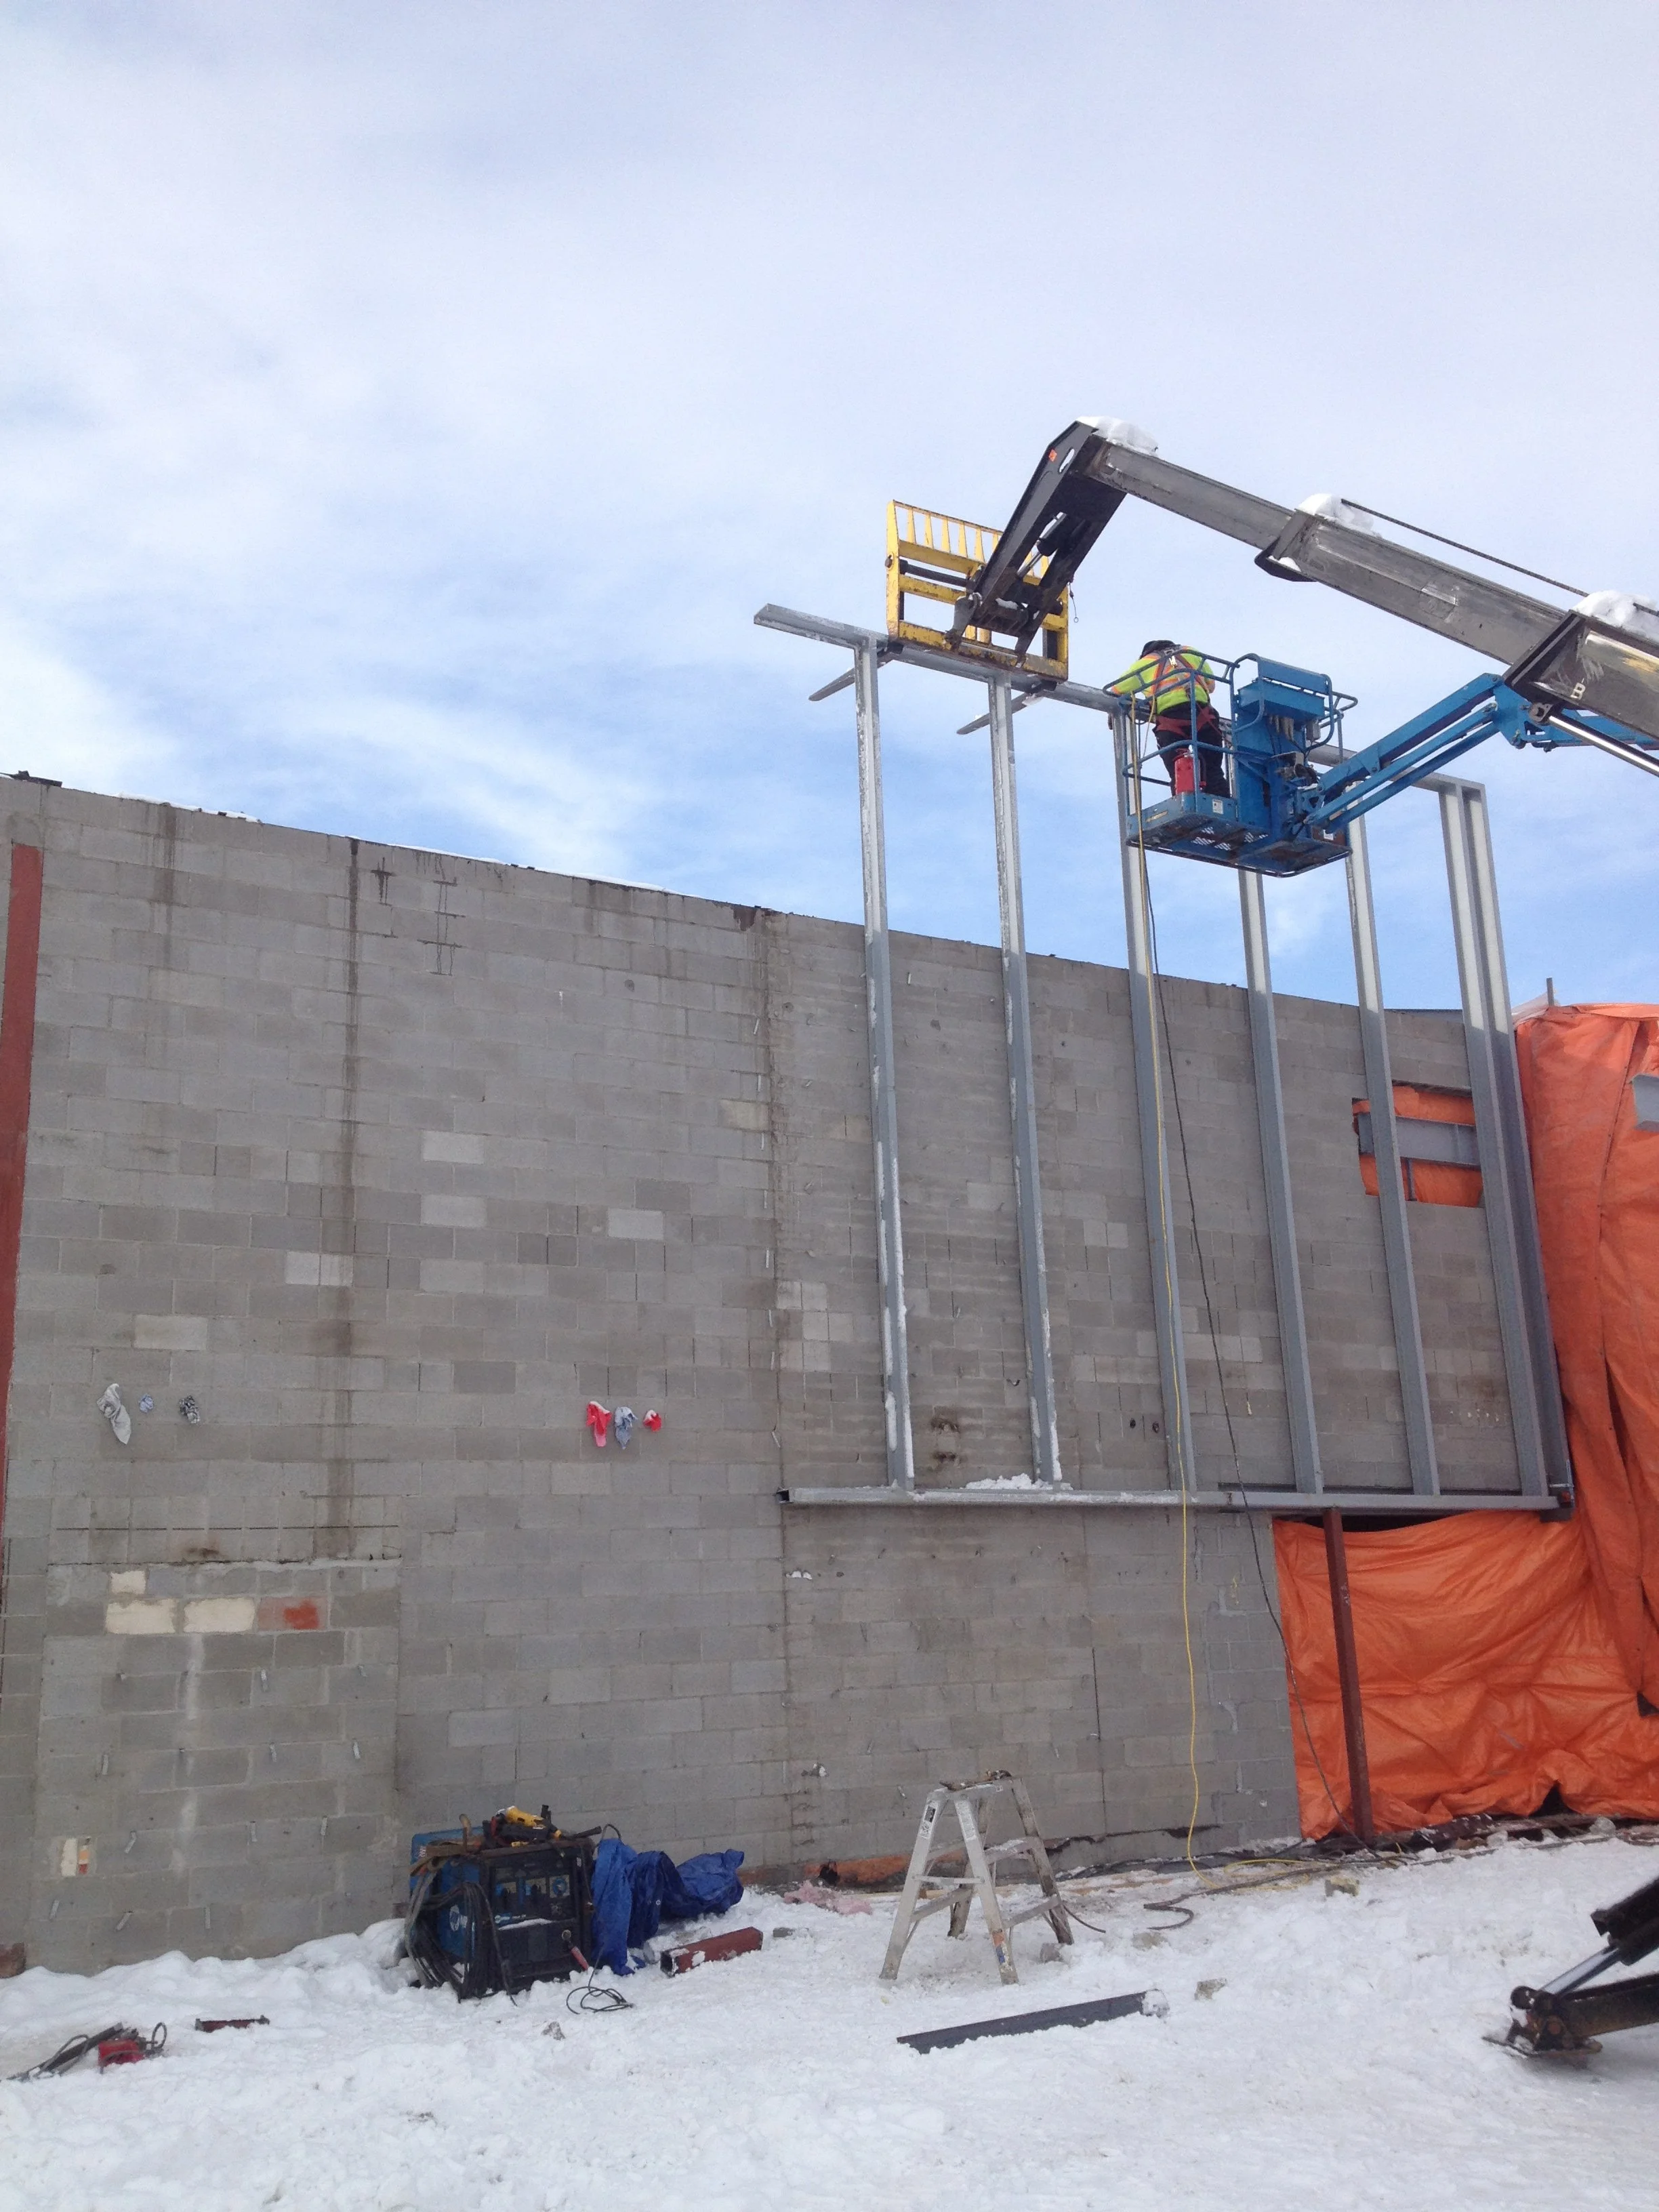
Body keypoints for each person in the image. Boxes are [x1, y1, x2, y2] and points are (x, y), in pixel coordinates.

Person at [1109, 639, 1230, 796]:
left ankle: (1185, 804)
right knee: (1212, 768)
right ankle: (1219, 804)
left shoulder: (1146, 662)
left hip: (1171, 721)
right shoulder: (1190, 651)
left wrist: (1114, 711)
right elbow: (1211, 686)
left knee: (1179, 769)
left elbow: (1115, 690)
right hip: (1204, 716)